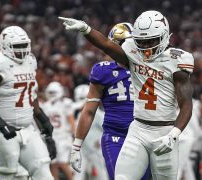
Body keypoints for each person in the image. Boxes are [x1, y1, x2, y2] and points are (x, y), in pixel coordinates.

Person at [59, 10, 194, 180]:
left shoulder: (177, 60)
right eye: (141, 41)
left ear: (164, 36)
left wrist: (174, 134)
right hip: (137, 129)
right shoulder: (132, 51)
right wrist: (86, 29)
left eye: (151, 41)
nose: (145, 47)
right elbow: (107, 45)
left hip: (164, 131)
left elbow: (187, 104)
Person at [70, 22, 150, 180]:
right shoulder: (103, 71)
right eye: (125, 43)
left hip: (144, 137)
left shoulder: (148, 68)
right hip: (116, 136)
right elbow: (89, 110)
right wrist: (76, 146)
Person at [0, 26, 56, 180]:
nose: (22, 50)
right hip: (3, 131)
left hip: (28, 128)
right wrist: (2, 125)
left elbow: (32, 94)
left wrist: (43, 120)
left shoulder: (30, 61)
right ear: (5, 46)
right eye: (17, 47)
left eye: (24, 45)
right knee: (6, 174)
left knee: (43, 170)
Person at [41, 81, 75, 180]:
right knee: (53, 164)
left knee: (62, 163)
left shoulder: (65, 103)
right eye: (50, 93)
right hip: (52, 137)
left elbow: (71, 120)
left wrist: (74, 136)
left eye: (53, 92)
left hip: (63, 137)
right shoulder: (45, 105)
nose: (52, 95)